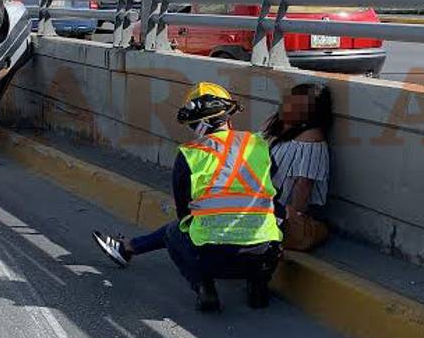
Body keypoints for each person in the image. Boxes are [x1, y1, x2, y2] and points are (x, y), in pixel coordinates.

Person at [92, 82, 282, 311]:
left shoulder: (190, 155)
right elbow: (271, 188)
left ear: (196, 125)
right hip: (262, 253)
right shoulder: (258, 144)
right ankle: (258, 287)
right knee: (276, 221)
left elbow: (184, 213)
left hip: (212, 257)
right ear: (228, 116)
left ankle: (203, 287)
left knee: (174, 231)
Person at [263, 83, 333, 251]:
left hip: (279, 211)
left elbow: (304, 185)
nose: (287, 106)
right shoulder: (279, 125)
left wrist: (294, 219)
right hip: (260, 202)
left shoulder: (312, 140)